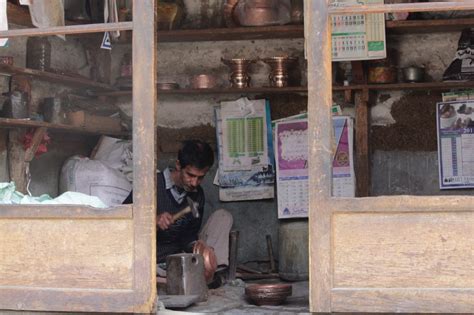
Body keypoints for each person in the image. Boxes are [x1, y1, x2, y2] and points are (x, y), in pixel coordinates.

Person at [124, 139, 233, 272]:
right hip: (149, 260)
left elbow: (188, 235)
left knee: (223, 216)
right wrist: (153, 221)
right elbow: (122, 225)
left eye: (200, 177)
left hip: (178, 259)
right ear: (178, 165)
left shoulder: (198, 195)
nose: (194, 183)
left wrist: (196, 246)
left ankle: (212, 271)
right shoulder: (150, 184)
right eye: (190, 175)